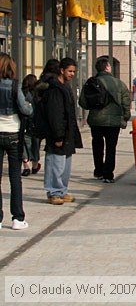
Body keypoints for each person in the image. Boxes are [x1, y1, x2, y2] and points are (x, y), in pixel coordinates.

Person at [79, 56, 130, 183]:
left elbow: (83, 102)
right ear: (108, 67)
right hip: (113, 122)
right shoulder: (119, 84)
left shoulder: (91, 83)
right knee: (111, 147)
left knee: (97, 145)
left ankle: (99, 170)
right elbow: (126, 103)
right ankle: (108, 174)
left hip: (96, 120)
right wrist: (125, 117)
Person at [42, 57, 82, 205]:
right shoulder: (55, 90)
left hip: (67, 133)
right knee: (55, 163)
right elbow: (55, 114)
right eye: (70, 71)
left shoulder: (64, 87)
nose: (72, 74)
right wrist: (58, 135)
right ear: (62, 70)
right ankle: (54, 191)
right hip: (58, 133)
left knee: (65, 165)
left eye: (74, 71)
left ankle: (62, 190)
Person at [0, 54, 33, 230]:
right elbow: (25, 109)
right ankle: (17, 218)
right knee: (15, 177)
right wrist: (29, 106)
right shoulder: (15, 86)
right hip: (13, 133)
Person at [20, 73, 40, 177]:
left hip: (24, 123)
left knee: (25, 145)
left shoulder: (22, 94)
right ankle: (35, 166)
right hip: (36, 124)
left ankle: (26, 166)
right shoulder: (37, 94)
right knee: (35, 145)